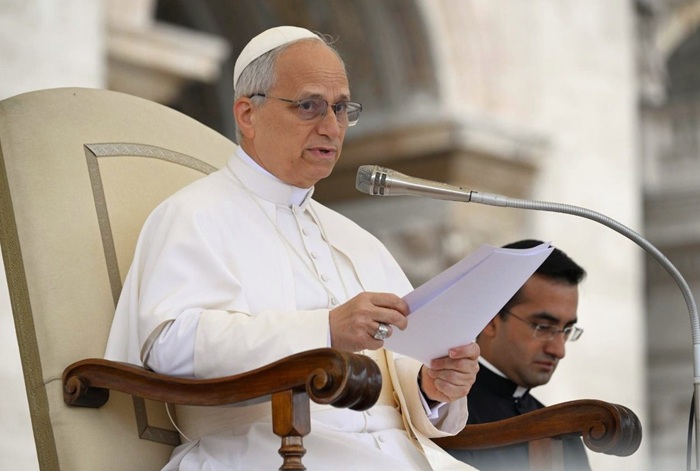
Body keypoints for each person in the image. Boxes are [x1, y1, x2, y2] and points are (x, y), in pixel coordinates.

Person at [105, 25, 481, 471]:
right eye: (309, 106)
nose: (331, 127)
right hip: (264, 450)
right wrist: (325, 329)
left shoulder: (357, 240)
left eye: (340, 108)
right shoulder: (193, 214)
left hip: (394, 455)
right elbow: (171, 345)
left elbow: (399, 368)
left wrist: (431, 386)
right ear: (248, 114)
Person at [447, 239, 591, 471]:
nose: (558, 350)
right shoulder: (442, 414)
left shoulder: (565, 434)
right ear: (490, 319)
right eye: (543, 327)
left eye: (566, 330)